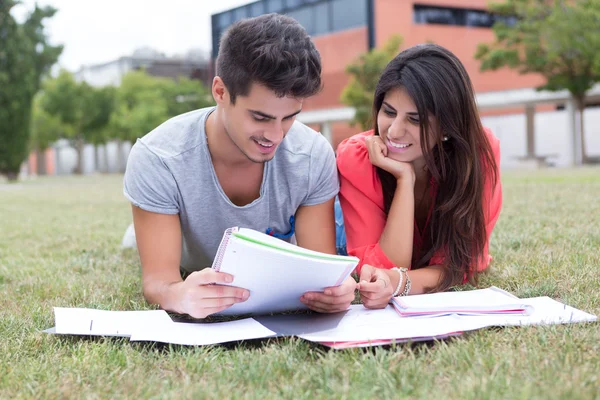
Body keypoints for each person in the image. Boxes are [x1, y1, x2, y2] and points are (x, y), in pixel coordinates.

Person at [123, 13, 356, 319]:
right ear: (220, 92)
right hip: (180, 235)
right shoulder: (159, 158)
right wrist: (177, 293)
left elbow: (320, 269)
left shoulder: (311, 155)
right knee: (138, 243)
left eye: (289, 117)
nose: (275, 136)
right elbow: (159, 283)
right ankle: (138, 231)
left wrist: (334, 292)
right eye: (260, 117)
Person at [336, 44, 502, 309]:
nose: (394, 131)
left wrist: (400, 283)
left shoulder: (478, 154)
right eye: (389, 112)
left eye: (415, 120)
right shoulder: (358, 158)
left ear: (447, 125)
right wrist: (404, 179)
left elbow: (462, 265)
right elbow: (382, 268)